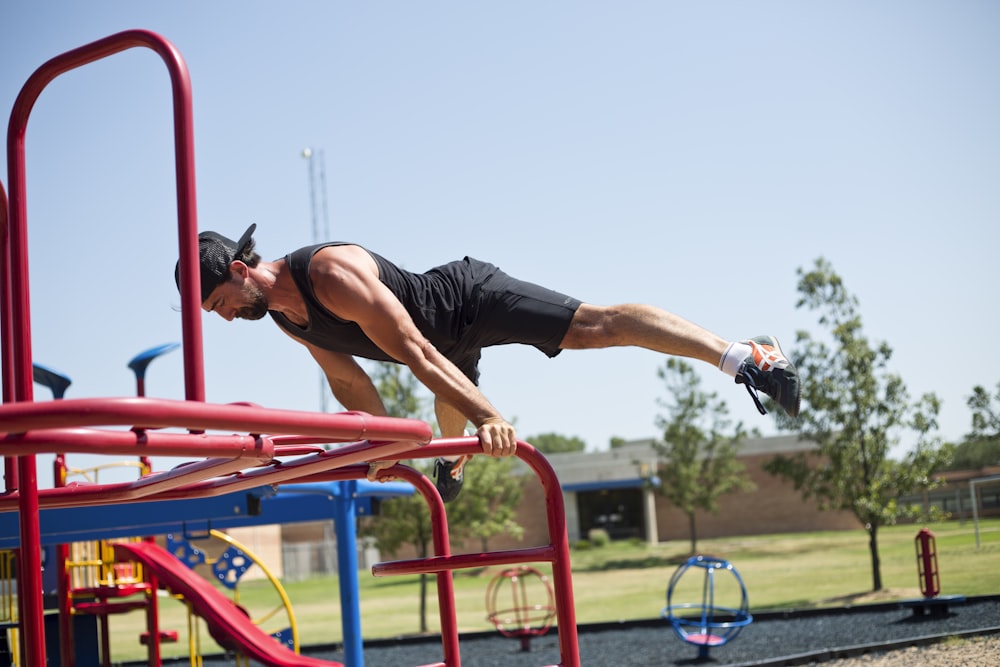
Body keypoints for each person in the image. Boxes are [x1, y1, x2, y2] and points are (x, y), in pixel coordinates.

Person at [176, 224, 800, 502]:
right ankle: (449, 468)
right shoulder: (285, 319)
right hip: (439, 354)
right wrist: (386, 448)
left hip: (468, 302)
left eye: (220, 303)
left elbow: (415, 351)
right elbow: (348, 378)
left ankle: (746, 357)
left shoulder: (328, 272)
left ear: (239, 270)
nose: (225, 316)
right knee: (443, 415)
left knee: (595, 328)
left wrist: (488, 416)